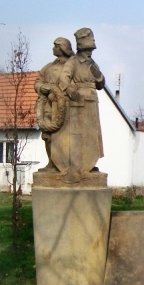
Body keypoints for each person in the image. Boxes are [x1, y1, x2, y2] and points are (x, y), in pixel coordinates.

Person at [58, 27, 105, 182]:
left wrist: (98, 76)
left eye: (91, 50)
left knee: (92, 135)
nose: (90, 53)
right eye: (88, 49)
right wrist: (70, 88)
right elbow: (63, 79)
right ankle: (79, 167)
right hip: (79, 103)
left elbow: (101, 84)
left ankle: (90, 165)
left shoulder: (92, 63)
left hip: (92, 101)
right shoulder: (73, 62)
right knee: (79, 136)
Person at [34, 37, 73, 174]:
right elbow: (38, 81)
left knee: (64, 137)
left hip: (64, 108)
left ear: (63, 48)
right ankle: (51, 163)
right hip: (47, 107)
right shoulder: (48, 67)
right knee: (47, 136)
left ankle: (64, 164)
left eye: (56, 46)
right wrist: (42, 87)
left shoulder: (71, 66)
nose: (53, 48)